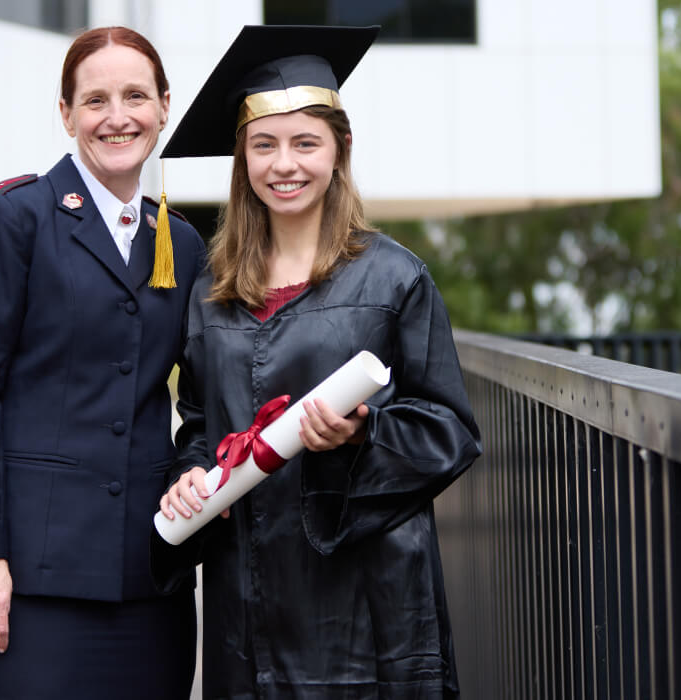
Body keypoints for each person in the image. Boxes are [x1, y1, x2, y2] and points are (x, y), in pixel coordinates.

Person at [155, 25, 483, 699]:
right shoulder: (213, 292)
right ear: (242, 156)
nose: (285, 164)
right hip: (246, 594)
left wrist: (364, 431)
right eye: (264, 144)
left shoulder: (395, 281)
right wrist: (190, 475)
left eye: (306, 143)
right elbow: (198, 423)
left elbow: (450, 430)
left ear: (341, 150)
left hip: (366, 598)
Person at [0, 26, 205, 699]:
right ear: (67, 114)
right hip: (30, 578)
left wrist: (195, 471)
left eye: (136, 96)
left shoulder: (182, 241)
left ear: (165, 106)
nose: (118, 117)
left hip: (149, 576)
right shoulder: (13, 217)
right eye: (95, 100)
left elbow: (200, 396)